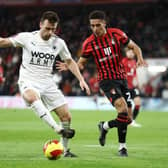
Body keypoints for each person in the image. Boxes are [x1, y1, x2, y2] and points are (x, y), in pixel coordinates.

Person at [0, 11, 90, 157]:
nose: (50, 32)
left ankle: (65, 150)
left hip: (47, 83)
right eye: (47, 28)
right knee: (31, 97)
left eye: (53, 29)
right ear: (40, 24)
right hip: (28, 80)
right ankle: (56, 128)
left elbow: (69, 61)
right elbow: (4, 41)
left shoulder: (58, 43)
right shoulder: (27, 38)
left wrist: (81, 79)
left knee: (66, 117)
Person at [57, 10, 147, 157]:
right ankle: (122, 148)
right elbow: (81, 63)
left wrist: (140, 58)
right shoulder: (89, 43)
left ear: (104, 23)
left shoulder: (116, 34)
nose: (95, 29)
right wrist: (69, 66)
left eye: (98, 25)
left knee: (128, 118)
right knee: (122, 109)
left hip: (121, 78)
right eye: (92, 26)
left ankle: (104, 126)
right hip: (106, 80)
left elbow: (135, 47)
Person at [122, 48, 142, 127]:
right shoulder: (123, 61)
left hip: (132, 87)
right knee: (126, 107)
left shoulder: (134, 62)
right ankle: (127, 121)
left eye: (132, 52)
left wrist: (137, 81)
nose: (130, 54)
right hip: (125, 87)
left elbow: (134, 73)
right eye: (129, 52)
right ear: (126, 53)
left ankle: (132, 121)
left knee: (138, 104)